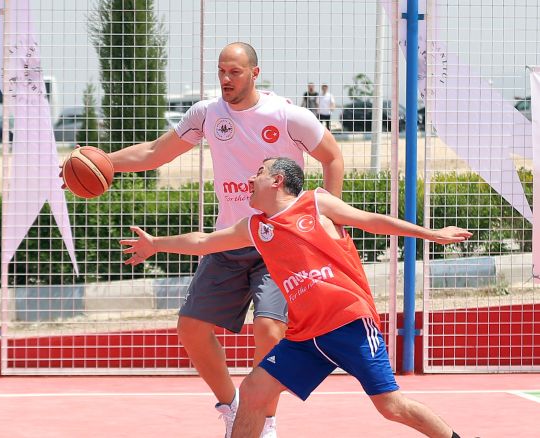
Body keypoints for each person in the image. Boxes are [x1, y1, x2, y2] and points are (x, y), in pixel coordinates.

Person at [67, 42, 344, 437]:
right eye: (221, 71)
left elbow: (332, 157)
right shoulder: (208, 114)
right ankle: (233, 407)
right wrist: (99, 164)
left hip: (278, 242)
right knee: (191, 328)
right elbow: (155, 152)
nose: (226, 79)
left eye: (235, 72)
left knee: (269, 331)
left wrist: (327, 219)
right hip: (229, 239)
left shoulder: (287, 115)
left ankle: (263, 420)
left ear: (254, 73)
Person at [120, 157, 471, 438]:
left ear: (277, 180)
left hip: (348, 322)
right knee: (253, 392)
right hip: (305, 336)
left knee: (391, 406)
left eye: (259, 172)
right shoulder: (256, 227)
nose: (249, 179)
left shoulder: (315, 202)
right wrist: (156, 244)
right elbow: (203, 242)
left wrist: (432, 234)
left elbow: (371, 220)